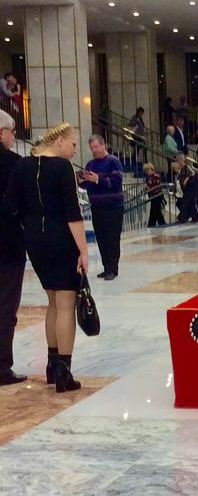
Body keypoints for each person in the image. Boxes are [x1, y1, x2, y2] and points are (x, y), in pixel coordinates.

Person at [3, 122, 88, 393]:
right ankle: (64, 371)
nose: (75, 150)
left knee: (53, 301)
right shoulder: (63, 168)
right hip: (61, 239)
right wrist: (84, 251)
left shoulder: (23, 166)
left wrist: (29, 223)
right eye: (73, 144)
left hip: (35, 241)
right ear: (59, 141)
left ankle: (52, 365)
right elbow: (73, 214)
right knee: (66, 303)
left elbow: (9, 206)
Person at [0, 110, 26, 385]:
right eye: (12, 131)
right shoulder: (14, 164)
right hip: (7, 246)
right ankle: (1, 366)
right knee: (6, 306)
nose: (14, 136)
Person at [81, 135, 124, 280]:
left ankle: (113, 268)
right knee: (101, 238)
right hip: (97, 206)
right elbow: (87, 185)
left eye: (96, 147)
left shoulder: (113, 161)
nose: (94, 150)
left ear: (103, 145)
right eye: (92, 148)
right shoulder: (90, 164)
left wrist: (98, 179)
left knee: (112, 238)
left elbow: (116, 182)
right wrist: (82, 180)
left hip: (113, 207)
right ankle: (106, 267)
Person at [144, 162, 165, 227]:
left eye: (147, 170)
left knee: (156, 210)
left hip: (157, 195)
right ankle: (152, 224)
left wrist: (148, 188)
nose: (147, 172)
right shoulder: (149, 177)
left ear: (151, 169)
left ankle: (160, 223)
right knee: (154, 211)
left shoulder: (156, 176)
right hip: (152, 196)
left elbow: (156, 186)